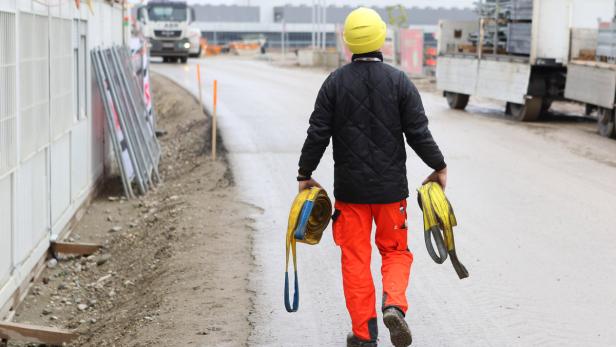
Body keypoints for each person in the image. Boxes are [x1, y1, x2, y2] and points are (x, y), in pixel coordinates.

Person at [296, 7, 447, 347]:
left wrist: (305, 173)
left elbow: (317, 133)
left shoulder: (334, 83)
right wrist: (438, 166)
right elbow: (418, 133)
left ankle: (364, 335)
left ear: (348, 42)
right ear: (381, 38)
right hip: (391, 192)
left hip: (350, 195)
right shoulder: (399, 82)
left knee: (355, 259)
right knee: (395, 251)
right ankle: (393, 304)